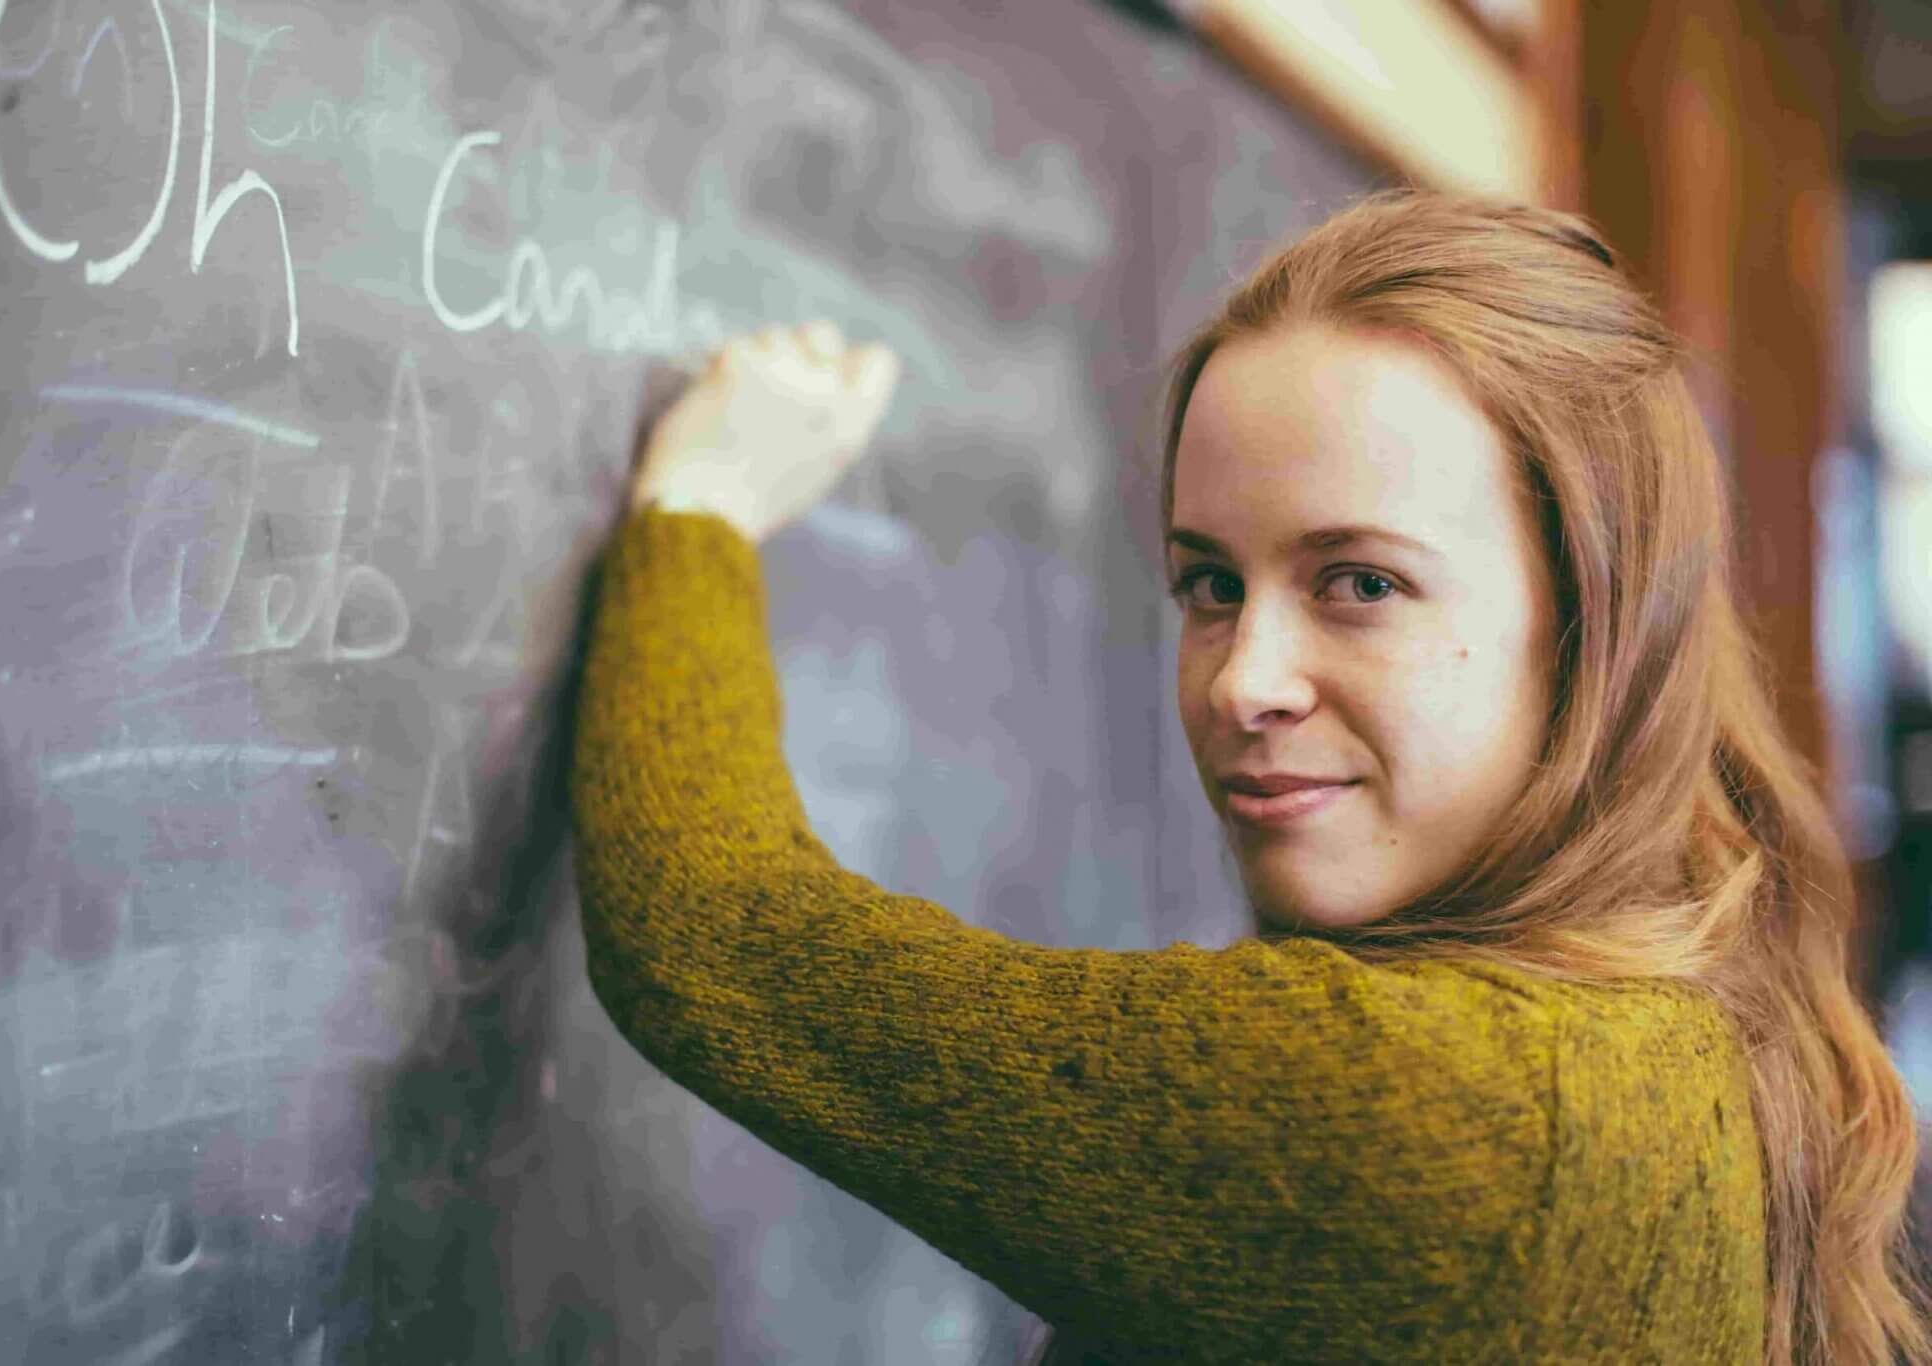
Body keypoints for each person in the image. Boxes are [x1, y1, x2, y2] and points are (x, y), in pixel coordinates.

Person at [564, 189, 1932, 1364]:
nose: (1241, 677)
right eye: (1208, 584)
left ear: (1593, 628)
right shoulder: (1689, 1018)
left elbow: (714, 935)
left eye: (1360, 582)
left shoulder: (1438, 1107)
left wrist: (700, 512)